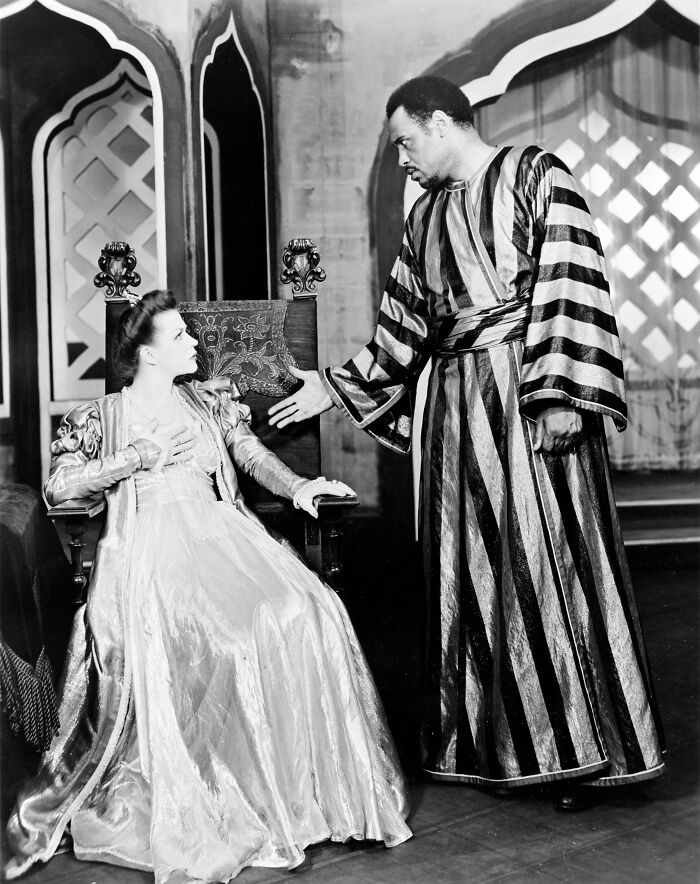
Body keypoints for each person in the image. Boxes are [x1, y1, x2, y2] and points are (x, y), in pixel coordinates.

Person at [269, 76, 665, 809]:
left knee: (547, 565)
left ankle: (580, 754)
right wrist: (333, 384)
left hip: (530, 401)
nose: (403, 161)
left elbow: (574, 282)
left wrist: (562, 396)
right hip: (454, 416)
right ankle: (497, 748)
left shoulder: (537, 175)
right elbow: (402, 325)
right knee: (474, 575)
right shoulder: (424, 221)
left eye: (406, 143)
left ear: (442, 123)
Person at [5, 290, 412, 882]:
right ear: (146, 355)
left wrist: (301, 490)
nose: (194, 342)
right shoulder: (102, 418)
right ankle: (233, 789)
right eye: (178, 336)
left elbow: (249, 457)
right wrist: (133, 457)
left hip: (223, 534)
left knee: (308, 608)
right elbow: (59, 490)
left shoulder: (208, 401)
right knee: (231, 633)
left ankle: (303, 798)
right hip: (151, 547)